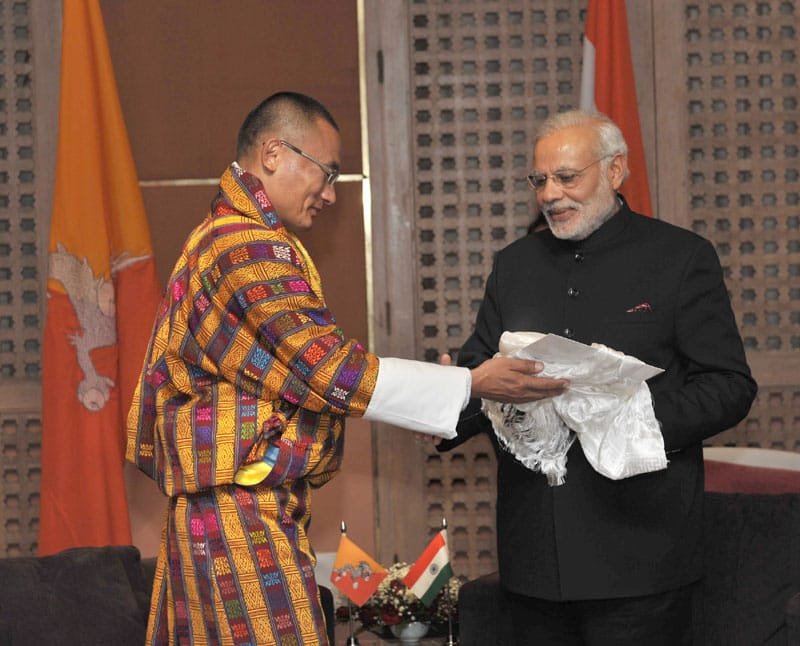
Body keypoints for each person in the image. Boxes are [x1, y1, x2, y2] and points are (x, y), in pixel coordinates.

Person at [125, 91, 565, 646]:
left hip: (225, 506)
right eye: (327, 173)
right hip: (240, 513)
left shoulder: (223, 234)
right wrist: (472, 382)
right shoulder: (247, 244)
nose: (332, 195)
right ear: (274, 153)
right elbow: (329, 370)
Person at [438, 109, 757, 644]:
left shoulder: (680, 258)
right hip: (534, 556)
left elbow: (729, 385)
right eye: (539, 180)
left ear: (614, 171)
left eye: (568, 177)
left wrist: (628, 418)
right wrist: (445, 407)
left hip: (641, 554)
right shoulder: (514, 265)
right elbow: (485, 372)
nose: (551, 194)